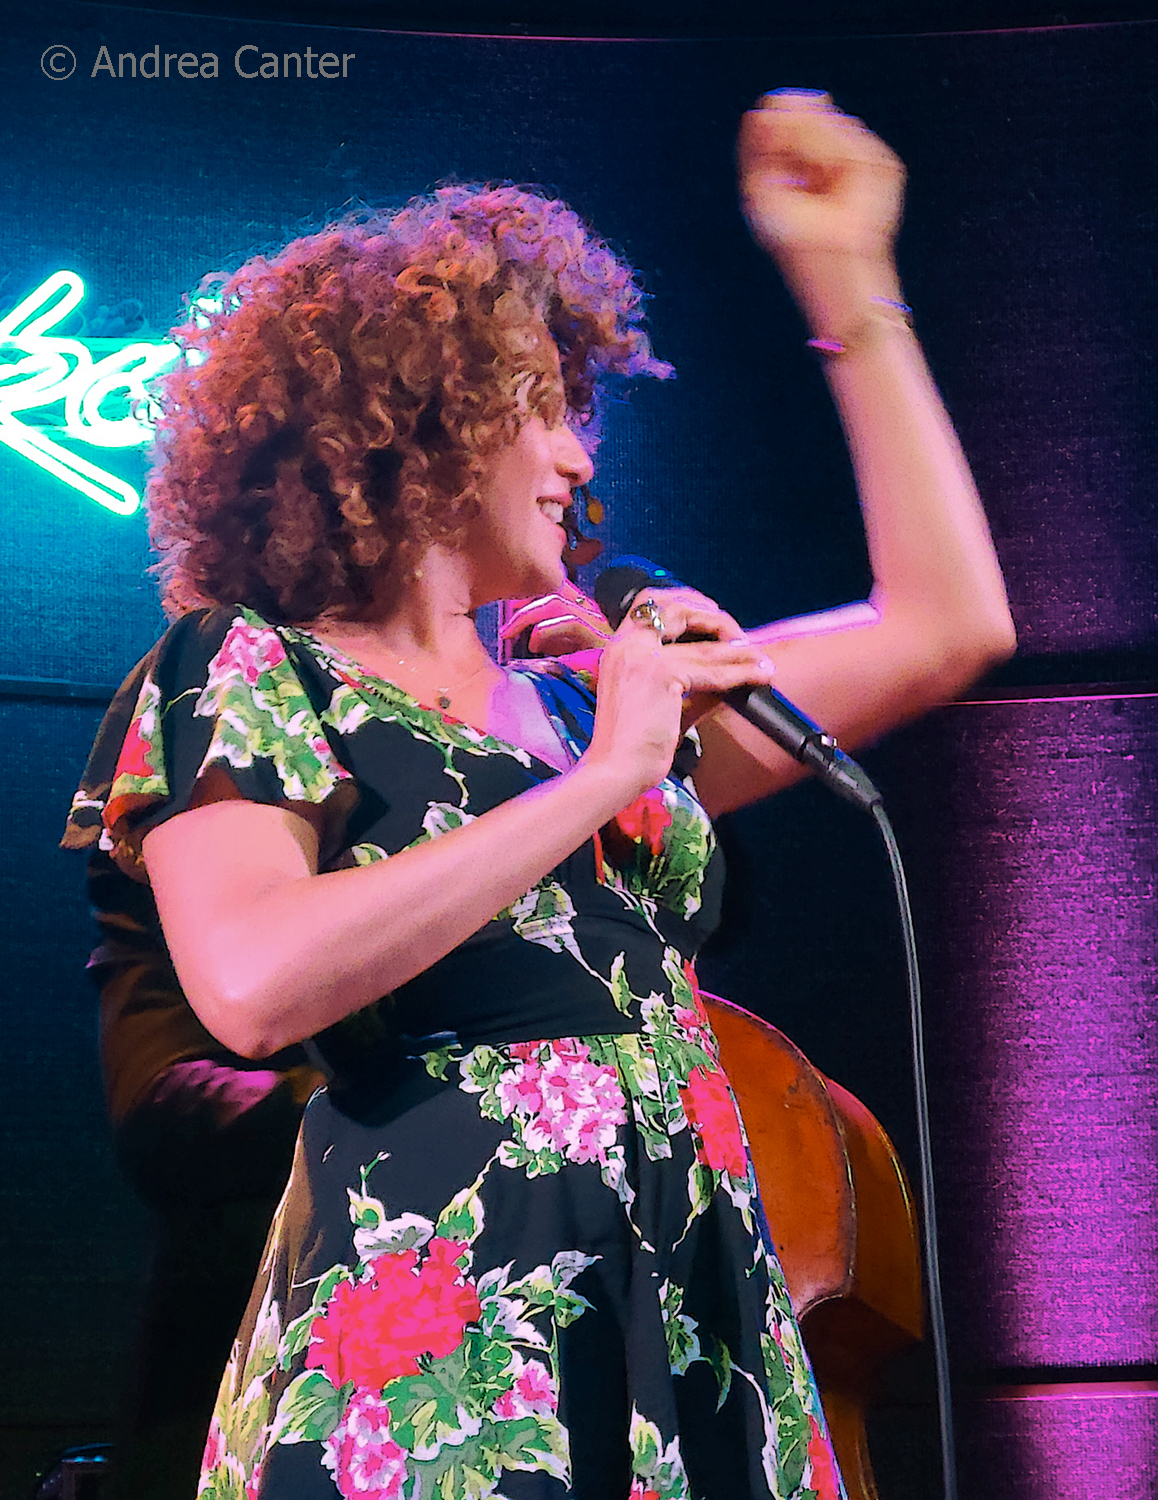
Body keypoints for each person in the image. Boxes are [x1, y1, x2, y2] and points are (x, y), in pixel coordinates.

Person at [64, 91, 1014, 1500]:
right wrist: (611, 776)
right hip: (444, 1326)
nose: (580, 456)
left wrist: (847, 278)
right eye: (543, 409)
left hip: (688, 1294)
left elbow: (947, 627)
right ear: (420, 419)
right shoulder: (253, 667)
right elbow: (256, 982)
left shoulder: (581, 700)